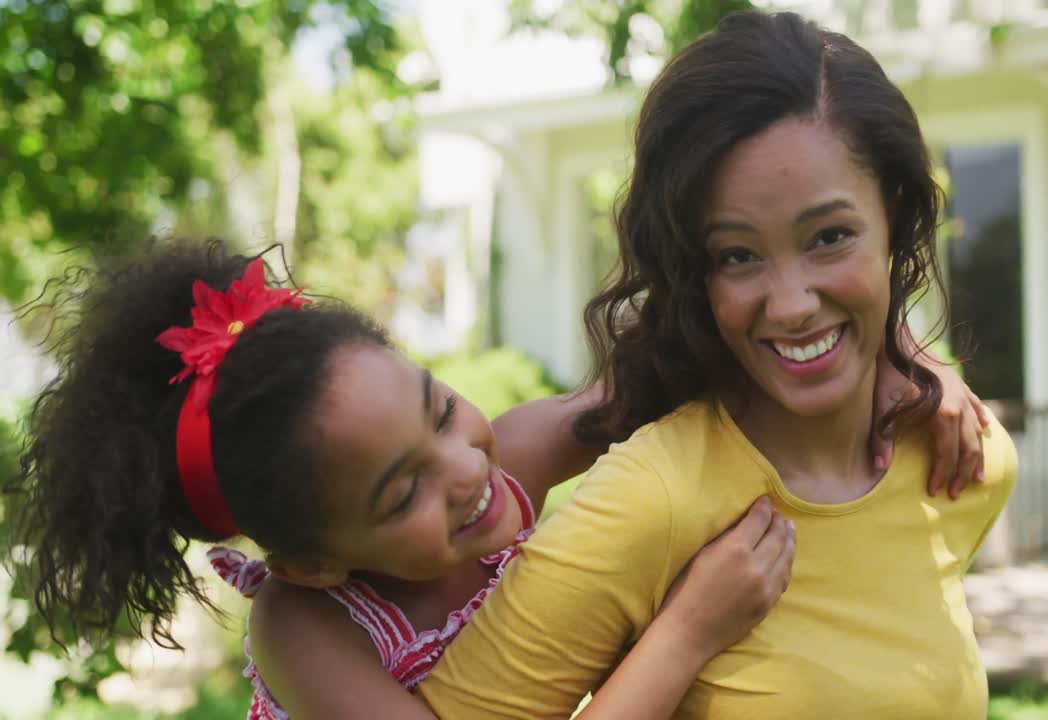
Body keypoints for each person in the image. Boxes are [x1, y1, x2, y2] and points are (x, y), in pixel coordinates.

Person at [6, 237, 982, 718]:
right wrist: (687, 629)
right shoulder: (302, 628)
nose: (465, 470)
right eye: (401, 494)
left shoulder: (507, 456)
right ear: (307, 561)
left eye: (440, 409)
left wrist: (903, 358)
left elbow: (674, 364)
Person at [416, 11, 1017, 719]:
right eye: (738, 255)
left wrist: (910, 357)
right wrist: (679, 638)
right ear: (694, 272)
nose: (791, 304)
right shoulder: (656, 496)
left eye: (829, 236)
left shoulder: (961, 463)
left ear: (893, 215)